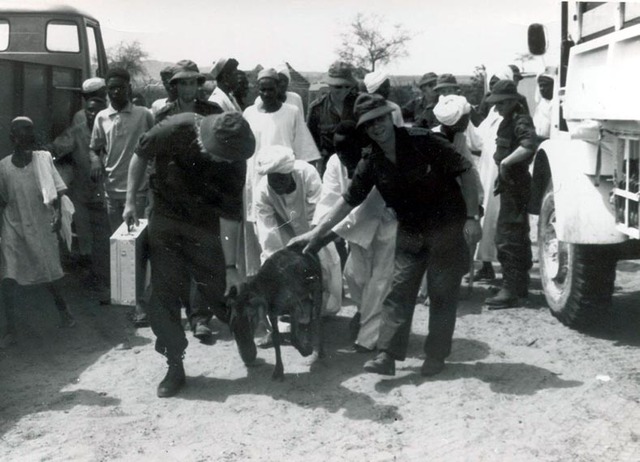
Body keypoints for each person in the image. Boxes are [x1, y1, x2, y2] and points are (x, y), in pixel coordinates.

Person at [290, 93, 482, 377]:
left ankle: (436, 355)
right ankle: (387, 356)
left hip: (446, 226)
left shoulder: (423, 140)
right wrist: (317, 233)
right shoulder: (372, 160)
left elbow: (465, 169)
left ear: (389, 118)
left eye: (380, 119)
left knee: (442, 294)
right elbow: (348, 200)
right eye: (369, 124)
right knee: (398, 292)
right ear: (365, 130)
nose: (376, 127)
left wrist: (471, 217)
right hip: (411, 231)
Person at [122, 112, 257, 398]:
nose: (223, 162)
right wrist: (130, 200)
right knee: (163, 293)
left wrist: (231, 266)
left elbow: (231, 217)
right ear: (204, 140)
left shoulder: (235, 159)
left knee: (219, 287)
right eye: (218, 155)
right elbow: (140, 156)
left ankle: (238, 322)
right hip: (165, 217)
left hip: (204, 224)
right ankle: (174, 365)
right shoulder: (172, 129)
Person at [313, 121, 397, 352]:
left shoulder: (378, 161)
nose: (341, 154)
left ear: (363, 148)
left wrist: (326, 234)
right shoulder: (334, 162)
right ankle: (364, 313)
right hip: (355, 226)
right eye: (336, 148)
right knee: (354, 275)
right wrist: (317, 230)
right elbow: (329, 200)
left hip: (388, 222)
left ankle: (368, 340)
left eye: (346, 149)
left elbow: (364, 206)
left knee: (380, 280)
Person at [0, 117, 75, 348]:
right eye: (23, 134)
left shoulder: (43, 160)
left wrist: (58, 217)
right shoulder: (3, 167)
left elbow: (59, 191)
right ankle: (10, 330)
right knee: (9, 276)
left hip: (42, 223)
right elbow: (3, 200)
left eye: (31, 134)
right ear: (13, 138)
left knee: (49, 273)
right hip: (14, 225)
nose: (28, 139)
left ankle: (64, 312)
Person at [241, 68, 320, 279]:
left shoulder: (291, 112)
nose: (266, 93)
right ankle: (264, 280)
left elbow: (304, 150)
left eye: (271, 89)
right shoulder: (249, 113)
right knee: (262, 233)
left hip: (286, 183)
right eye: (262, 89)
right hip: (257, 180)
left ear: (279, 88)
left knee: (289, 232)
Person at [89, 67, 154, 325]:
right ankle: (127, 297)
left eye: (119, 86)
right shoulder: (102, 117)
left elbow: (154, 145)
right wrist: (95, 160)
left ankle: (139, 304)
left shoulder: (143, 114)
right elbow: (95, 148)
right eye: (111, 87)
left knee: (135, 247)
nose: (115, 91)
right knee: (120, 247)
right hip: (111, 192)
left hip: (136, 192)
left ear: (129, 88)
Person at [254, 145, 342, 316]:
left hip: (314, 228)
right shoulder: (262, 192)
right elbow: (268, 233)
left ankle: (318, 314)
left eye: (281, 179)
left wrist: (311, 240)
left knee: (326, 268)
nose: (276, 184)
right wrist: (280, 261)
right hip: (285, 232)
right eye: (273, 179)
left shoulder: (307, 173)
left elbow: (318, 209)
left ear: (290, 173)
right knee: (275, 269)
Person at [483, 80, 537, 308]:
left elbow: (528, 145)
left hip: (516, 184)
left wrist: (505, 162)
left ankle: (511, 290)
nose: (496, 107)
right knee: (516, 234)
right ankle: (518, 285)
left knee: (508, 237)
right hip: (510, 183)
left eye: (501, 103)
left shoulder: (520, 119)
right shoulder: (509, 119)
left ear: (512, 100)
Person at [50, 97, 111, 297]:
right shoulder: (77, 131)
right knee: (85, 236)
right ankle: (91, 278)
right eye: (89, 111)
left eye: (97, 110)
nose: (92, 114)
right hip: (82, 193)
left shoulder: (112, 127)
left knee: (105, 237)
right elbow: (58, 147)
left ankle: (105, 277)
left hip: (107, 193)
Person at [307, 61, 358, 175]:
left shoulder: (359, 105)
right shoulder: (317, 108)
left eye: (347, 86)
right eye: (338, 87)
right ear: (329, 85)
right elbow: (310, 146)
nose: (344, 91)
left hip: (356, 166)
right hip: (328, 168)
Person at [155, 60, 222, 123]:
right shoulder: (164, 116)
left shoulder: (213, 111)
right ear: (176, 85)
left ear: (197, 84)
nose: (188, 89)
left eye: (192, 83)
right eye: (183, 83)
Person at [533, 70, 555, 140]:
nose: (542, 89)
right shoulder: (540, 106)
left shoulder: (558, 105)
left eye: (545, 85)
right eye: (540, 86)